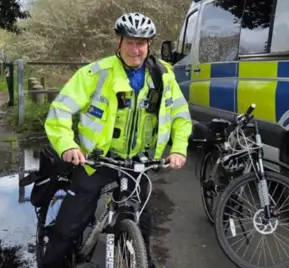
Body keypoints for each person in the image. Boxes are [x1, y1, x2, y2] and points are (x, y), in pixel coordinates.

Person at [41, 12, 192, 268]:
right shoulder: (96, 73)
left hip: (137, 163)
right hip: (96, 161)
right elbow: (60, 111)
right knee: (69, 227)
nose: (136, 49)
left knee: (142, 226)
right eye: (130, 42)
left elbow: (181, 116)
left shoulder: (163, 76)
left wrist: (178, 149)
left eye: (141, 43)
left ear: (149, 45)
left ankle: (141, 260)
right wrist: (68, 145)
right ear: (118, 44)